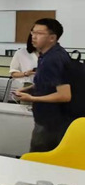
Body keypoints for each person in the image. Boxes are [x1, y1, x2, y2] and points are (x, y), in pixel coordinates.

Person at [15, 18, 72, 152]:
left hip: (51, 123)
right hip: (47, 120)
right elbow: (48, 84)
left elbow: (64, 95)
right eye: (33, 32)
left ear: (52, 38)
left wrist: (32, 98)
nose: (33, 36)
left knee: (39, 159)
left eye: (39, 33)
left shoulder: (53, 59)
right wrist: (27, 89)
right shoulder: (46, 56)